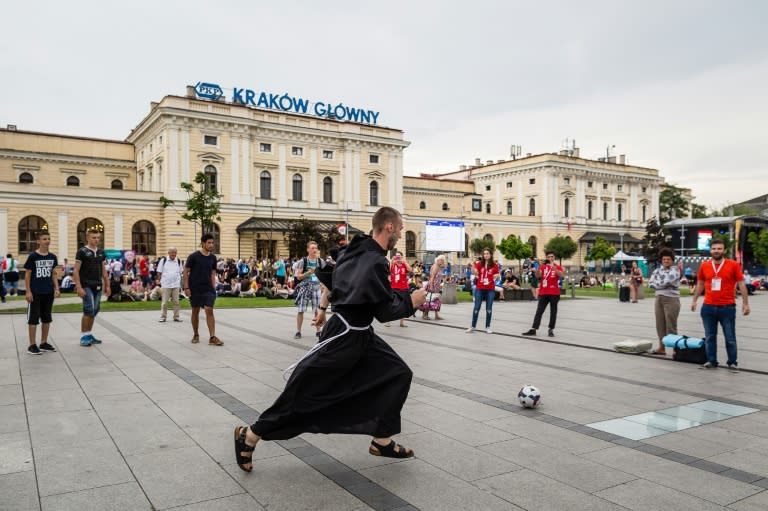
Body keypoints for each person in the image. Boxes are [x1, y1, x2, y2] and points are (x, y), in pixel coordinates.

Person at [232, 206, 428, 472]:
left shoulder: (356, 249)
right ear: (389, 227)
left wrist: (323, 308)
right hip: (345, 337)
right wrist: (412, 301)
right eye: (401, 227)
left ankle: (382, 440)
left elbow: (330, 278)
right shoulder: (375, 261)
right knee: (305, 395)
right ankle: (250, 436)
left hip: (358, 333)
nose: (402, 232)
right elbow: (384, 312)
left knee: (398, 373)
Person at [691, 239, 749, 371]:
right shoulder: (704, 265)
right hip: (708, 307)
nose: (716, 251)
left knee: (730, 337)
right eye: (714, 248)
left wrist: (745, 304)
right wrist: (694, 300)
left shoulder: (733, 265)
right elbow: (700, 284)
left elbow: (741, 284)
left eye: (719, 248)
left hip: (727, 307)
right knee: (710, 337)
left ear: (724, 250)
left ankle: (732, 362)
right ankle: (711, 361)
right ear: (710, 250)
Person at [24, 231, 60, 355]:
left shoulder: (52, 257)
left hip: (48, 292)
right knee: (33, 319)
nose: (47, 241)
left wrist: (56, 288)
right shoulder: (33, 256)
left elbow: (54, 273)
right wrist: (28, 291)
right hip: (35, 292)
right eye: (44, 239)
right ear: (38, 241)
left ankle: (43, 342)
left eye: (48, 239)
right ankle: (32, 345)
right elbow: (27, 275)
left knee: (47, 318)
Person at [183, 234, 223, 346]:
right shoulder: (193, 256)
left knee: (209, 309)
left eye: (212, 243)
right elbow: (185, 272)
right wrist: (186, 287)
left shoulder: (213, 258)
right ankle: (196, 334)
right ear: (203, 243)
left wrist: (213, 287)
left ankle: (212, 337)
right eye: (209, 243)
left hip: (208, 288)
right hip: (195, 287)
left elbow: (213, 273)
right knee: (195, 311)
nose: (211, 245)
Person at [73, 228, 110, 346]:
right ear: (87, 238)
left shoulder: (101, 252)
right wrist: (79, 287)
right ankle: (84, 337)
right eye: (94, 237)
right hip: (86, 285)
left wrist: (107, 285)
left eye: (98, 238)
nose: (96, 240)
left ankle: (89, 334)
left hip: (97, 285)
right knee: (89, 309)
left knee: (95, 310)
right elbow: (75, 271)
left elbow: (104, 270)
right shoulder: (82, 252)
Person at [522, 250, 564, 337]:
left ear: (554, 257)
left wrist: (553, 268)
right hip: (544, 292)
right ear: (546, 258)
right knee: (539, 311)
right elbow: (538, 276)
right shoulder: (543, 266)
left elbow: (561, 275)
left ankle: (551, 329)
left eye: (552, 257)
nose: (550, 258)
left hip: (554, 293)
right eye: (548, 257)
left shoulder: (557, 266)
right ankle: (534, 329)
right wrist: (538, 268)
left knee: (553, 312)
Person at [648, 248, 680, 356]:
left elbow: (667, 281)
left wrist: (658, 283)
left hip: (671, 299)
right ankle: (661, 348)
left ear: (672, 260)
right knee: (660, 324)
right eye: (664, 259)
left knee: (671, 325)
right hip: (659, 299)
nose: (666, 261)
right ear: (661, 260)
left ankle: (676, 349)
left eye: (668, 259)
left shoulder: (675, 270)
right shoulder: (657, 270)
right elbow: (650, 283)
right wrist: (660, 283)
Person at [293, 241, 325, 339]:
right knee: (301, 310)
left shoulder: (320, 262)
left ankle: (318, 331)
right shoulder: (303, 261)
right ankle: (298, 331)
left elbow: (325, 275)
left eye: (315, 248)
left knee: (317, 311)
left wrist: (323, 285)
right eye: (312, 248)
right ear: (308, 249)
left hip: (316, 288)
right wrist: (308, 273)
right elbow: (298, 277)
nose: (314, 250)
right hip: (305, 287)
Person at [466, 248, 500, 334]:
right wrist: (474, 266)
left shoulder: (494, 265)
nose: (486, 255)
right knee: (476, 307)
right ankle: (473, 326)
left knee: (489, 308)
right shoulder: (479, 264)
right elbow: (475, 273)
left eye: (487, 253)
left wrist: (495, 276)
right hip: (480, 288)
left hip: (490, 289)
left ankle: (487, 327)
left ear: (491, 255)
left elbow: (497, 275)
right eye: (484, 254)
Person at [157, 247, 183, 322]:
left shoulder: (178, 261)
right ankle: (163, 317)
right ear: (168, 253)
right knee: (164, 302)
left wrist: (180, 282)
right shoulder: (163, 260)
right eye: (172, 252)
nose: (173, 254)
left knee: (176, 302)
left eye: (175, 252)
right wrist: (159, 280)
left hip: (176, 284)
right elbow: (159, 271)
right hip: (166, 284)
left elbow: (181, 272)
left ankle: (176, 317)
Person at [386, 251, 412, 327]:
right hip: (394, 287)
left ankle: (402, 322)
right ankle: (388, 321)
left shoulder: (404, 264)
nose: (398, 258)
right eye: (396, 256)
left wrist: (405, 261)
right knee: (392, 304)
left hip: (404, 287)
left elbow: (410, 270)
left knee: (404, 305)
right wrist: (392, 260)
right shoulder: (393, 264)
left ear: (402, 257)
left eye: (399, 256)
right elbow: (388, 270)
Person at [420, 255, 447, 320]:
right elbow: (432, 277)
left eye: (443, 260)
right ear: (438, 260)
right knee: (429, 300)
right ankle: (425, 314)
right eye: (442, 260)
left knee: (435, 300)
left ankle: (436, 315)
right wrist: (431, 286)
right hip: (433, 286)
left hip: (436, 286)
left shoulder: (438, 266)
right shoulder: (435, 267)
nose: (443, 262)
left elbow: (443, 268)